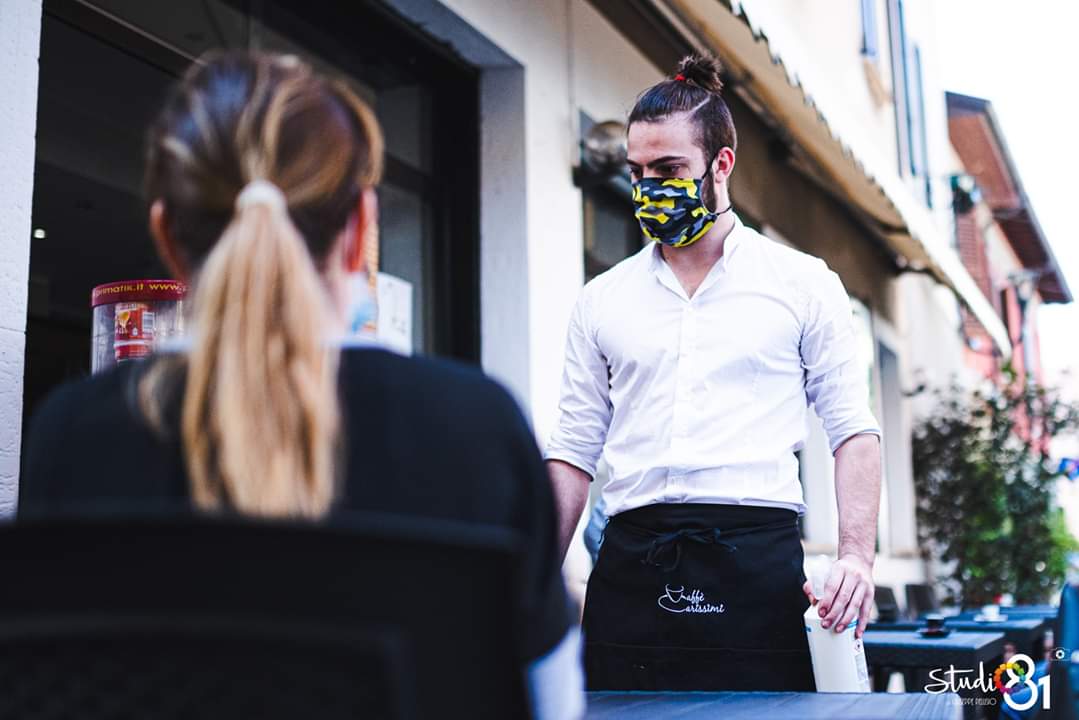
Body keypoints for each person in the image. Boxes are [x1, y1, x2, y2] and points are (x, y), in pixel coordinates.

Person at [20, 51, 582, 719]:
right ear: (361, 230)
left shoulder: (70, 434)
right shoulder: (477, 428)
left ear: (166, 234)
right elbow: (550, 705)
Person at [544, 54, 883, 691]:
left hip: (755, 563)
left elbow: (853, 430)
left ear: (721, 164)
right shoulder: (602, 299)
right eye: (637, 172)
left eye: (669, 170)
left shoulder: (802, 283)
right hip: (631, 565)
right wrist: (533, 579)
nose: (649, 187)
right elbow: (572, 452)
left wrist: (856, 558)